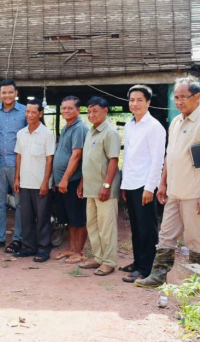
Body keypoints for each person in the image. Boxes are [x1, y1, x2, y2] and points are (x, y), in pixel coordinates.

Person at [136, 76, 200, 288]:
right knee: (166, 235)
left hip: (195, 193)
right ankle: (158, 276)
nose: (179, 101)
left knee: (194, 239)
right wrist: (163, 183)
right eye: (176, 97)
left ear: (197, 96)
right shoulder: (176, 122)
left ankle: (196, 282)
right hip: (174, 191)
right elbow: (170, 155)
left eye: (184, 97)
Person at [119, 85, 165, 283]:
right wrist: (124, 183)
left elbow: (157, 160)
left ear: (148, 102)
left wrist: (150, 187)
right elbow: (128, 156)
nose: (135, 104)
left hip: (144, 184)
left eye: (139, 100)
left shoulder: (154, 127)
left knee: (147, 228)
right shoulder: (130, 125)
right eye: (132, 100)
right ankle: (138, 262)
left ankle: (146, 269)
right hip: (131, 182)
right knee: (136, 227)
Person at [78, 96, 121, 276]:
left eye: (95, 111)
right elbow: (87, 161)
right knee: (93, 226)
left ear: (105, 111)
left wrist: (106, 186)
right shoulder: (90, 132)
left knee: (106, 228)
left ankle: (109, 262)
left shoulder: (110, 133)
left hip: (105, 191)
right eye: (89, 111)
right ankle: (98, 257)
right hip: (90, 188)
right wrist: (82, 183)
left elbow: (113, 161)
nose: (91, 114)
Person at [0, 79, 26, 253]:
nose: (7, 95)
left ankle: (18, 238)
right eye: (4, 92)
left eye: (10, 92)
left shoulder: (25, 111)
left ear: (16, 93)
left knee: (20, 203)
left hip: (18, 164)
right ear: (0, 94)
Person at [14, 100, 56, 262]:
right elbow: (19, 156)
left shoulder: (47, 134)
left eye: (33, 112)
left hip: (40, 184)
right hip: (25, 182)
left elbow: (49, 159)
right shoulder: (21, 133)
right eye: (27, 111)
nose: (29, 115)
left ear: (40, 114)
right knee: (26, 217)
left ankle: (44, 248)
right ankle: (29, 247)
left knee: (43, 217)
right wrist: (17, 178)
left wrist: (46, 182)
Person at [52, 96, 89, 264]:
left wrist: (65, 179)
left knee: (78, 218)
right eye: (64, 108)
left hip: (73, 180)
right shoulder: (67, 127)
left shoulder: (79, 128)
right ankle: (71, 248)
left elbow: (77, 155)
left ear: (78, 110)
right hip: (63, 181)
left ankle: (79, 252)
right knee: (69, 218)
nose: (66, 111)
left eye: (70, 108)